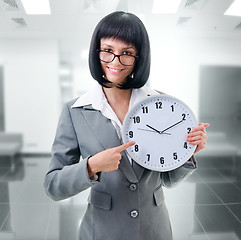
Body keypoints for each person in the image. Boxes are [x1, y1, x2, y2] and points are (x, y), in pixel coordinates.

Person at [44, 11, 209, 240]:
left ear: (139, 57)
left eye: (127, 53)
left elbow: (169, 179)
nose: (115, 62)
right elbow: (53, 185)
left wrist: (188, 152)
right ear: (96, 51)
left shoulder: (162, 104)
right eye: (108, 51)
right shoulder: (75, 111)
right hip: (101, 230)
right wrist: (91, 166)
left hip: (154, 229)